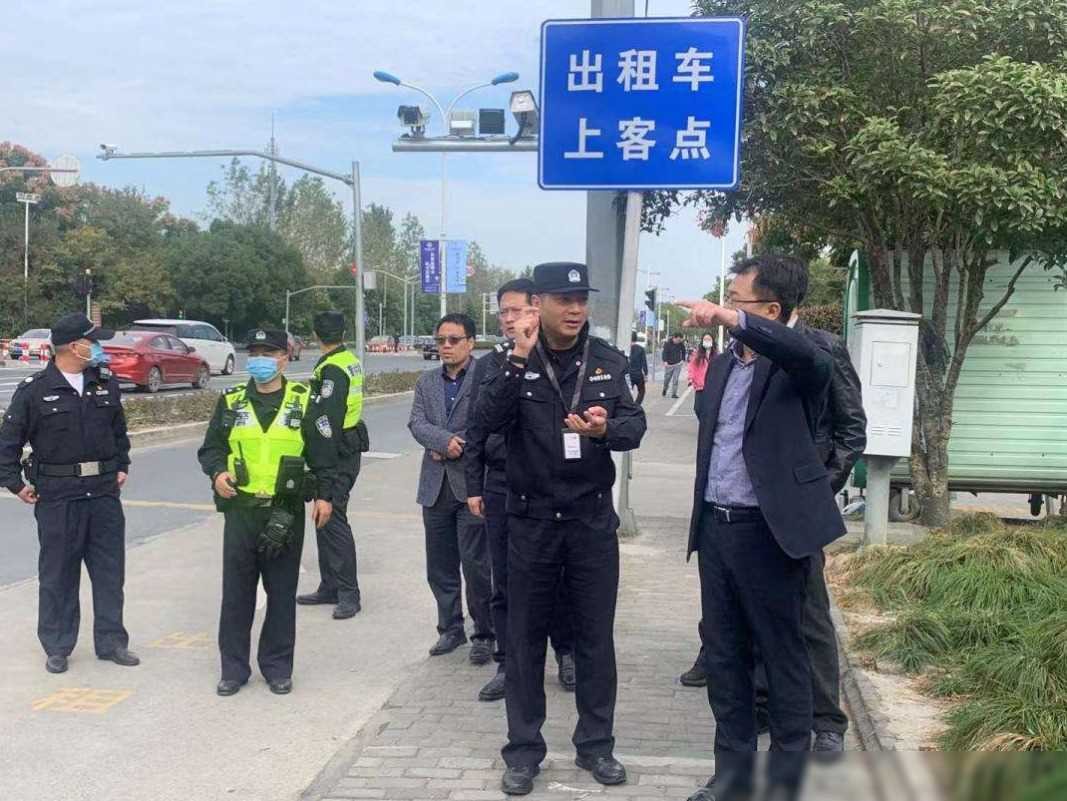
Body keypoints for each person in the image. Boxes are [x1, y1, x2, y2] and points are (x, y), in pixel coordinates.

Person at [678, 255, 844, 801]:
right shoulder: (725, 365)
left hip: (771, 534)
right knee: (725, 660)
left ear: (770, 311)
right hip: (717, 528)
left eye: (736, 301)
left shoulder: (805, 361)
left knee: (784, 657)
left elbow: (805, 357)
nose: (723, 308)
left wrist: (732, 319)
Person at [477, 262, 647, 796]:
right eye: (563, 300)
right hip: (530, 523)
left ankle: (596, 746)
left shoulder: (607, 361)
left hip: (589, 522)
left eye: (581, 300)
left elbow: (634, 426)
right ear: (538, 306)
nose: (575, 309)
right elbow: (484, 424)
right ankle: (523, 750)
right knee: (524, 640)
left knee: (595, 638)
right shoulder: (508, 361)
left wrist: (605, 429)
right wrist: (519, 357)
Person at [198, 328, 337, 696]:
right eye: (255, 352)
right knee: (236, 593)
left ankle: (277, 667)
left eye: (269, 353)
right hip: (241, 511)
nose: (260, 359)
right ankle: (233, 669)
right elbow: (211, 449)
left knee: (281, 592)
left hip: (285, 510)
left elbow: (324, 456)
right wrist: (218, 473)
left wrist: (325, 497)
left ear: (284, 359)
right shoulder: (231, 401)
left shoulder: (304, 401)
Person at [0, 312, 137, 675]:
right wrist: (15, 484)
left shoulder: (104, 383)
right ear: (74, 347)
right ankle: (58, 645)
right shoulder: (34, 390)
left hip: (103, 494)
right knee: (58, 575)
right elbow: (8, 443)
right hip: (59, 497)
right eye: (93, 342)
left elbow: (119, 432)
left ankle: (112, 642)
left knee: (109, 572)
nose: (98, 348)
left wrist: (122, 464)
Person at [465, 279, 576, 703]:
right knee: (505, 580)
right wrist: (473, 485)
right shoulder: (492, 363)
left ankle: (566, 652)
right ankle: (507, 663)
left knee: (558, 577)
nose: (509, 320)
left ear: (537, 309)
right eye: (504, 312)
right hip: (501, 485)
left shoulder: (559, 358)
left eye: (517, 311)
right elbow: (476, 427)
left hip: (548, 485)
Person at [408, 313, 494, 664]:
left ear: (470, 343)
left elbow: (489, 424)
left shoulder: (485, 378)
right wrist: (443, 442)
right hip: (435, 487)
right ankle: (450, 628)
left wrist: (457, 445)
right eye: (441, 340)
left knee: (476, 566)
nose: (446, 346)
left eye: (454, 340)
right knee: (440, 565)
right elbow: (416, 422)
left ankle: (485, 633)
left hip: (472, 487)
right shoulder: (427, 381)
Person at [297, 311, 369, 619]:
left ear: (315, 334)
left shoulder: (333, 369)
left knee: (333, 517)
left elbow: (326, 421)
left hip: (336, 452)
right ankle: (329, 586)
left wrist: (322, 471)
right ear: (344, 333)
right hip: (345, 446)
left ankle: (349, 593)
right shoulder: (347, 359)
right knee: (323, 520)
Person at [687, 332, 716, 415]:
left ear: (712, 341)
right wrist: (690, 378)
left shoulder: (717, 355)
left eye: (709, 339)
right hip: (700, 386)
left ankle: (707, 422)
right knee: (698, 408)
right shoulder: (697, 355)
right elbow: (691, 367)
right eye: (705, 339)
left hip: (712, 386)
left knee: (709, 409)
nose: (707, 341)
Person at [661, 332, 686, 398]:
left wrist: (683, 360)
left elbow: (684, 351)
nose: (678, 341)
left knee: (675, 379)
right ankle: (665, 388)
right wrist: (665, 361)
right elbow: (664, 353)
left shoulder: (681, 344)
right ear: (674, 338)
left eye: (680, 340)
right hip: (669, 365)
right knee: (667, 379)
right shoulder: (667, 344)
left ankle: (674, 394)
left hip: (678, 364)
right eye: (678, 340)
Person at [627, 332, 648, 405]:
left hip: (628, 374)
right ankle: (637, 404)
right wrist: (645, 374)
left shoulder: (625, 348)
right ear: (636, 338)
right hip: (638, 374)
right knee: (642, 391)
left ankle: (628, 405)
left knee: (628, 391)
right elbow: (644, 363)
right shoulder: (641, 349)